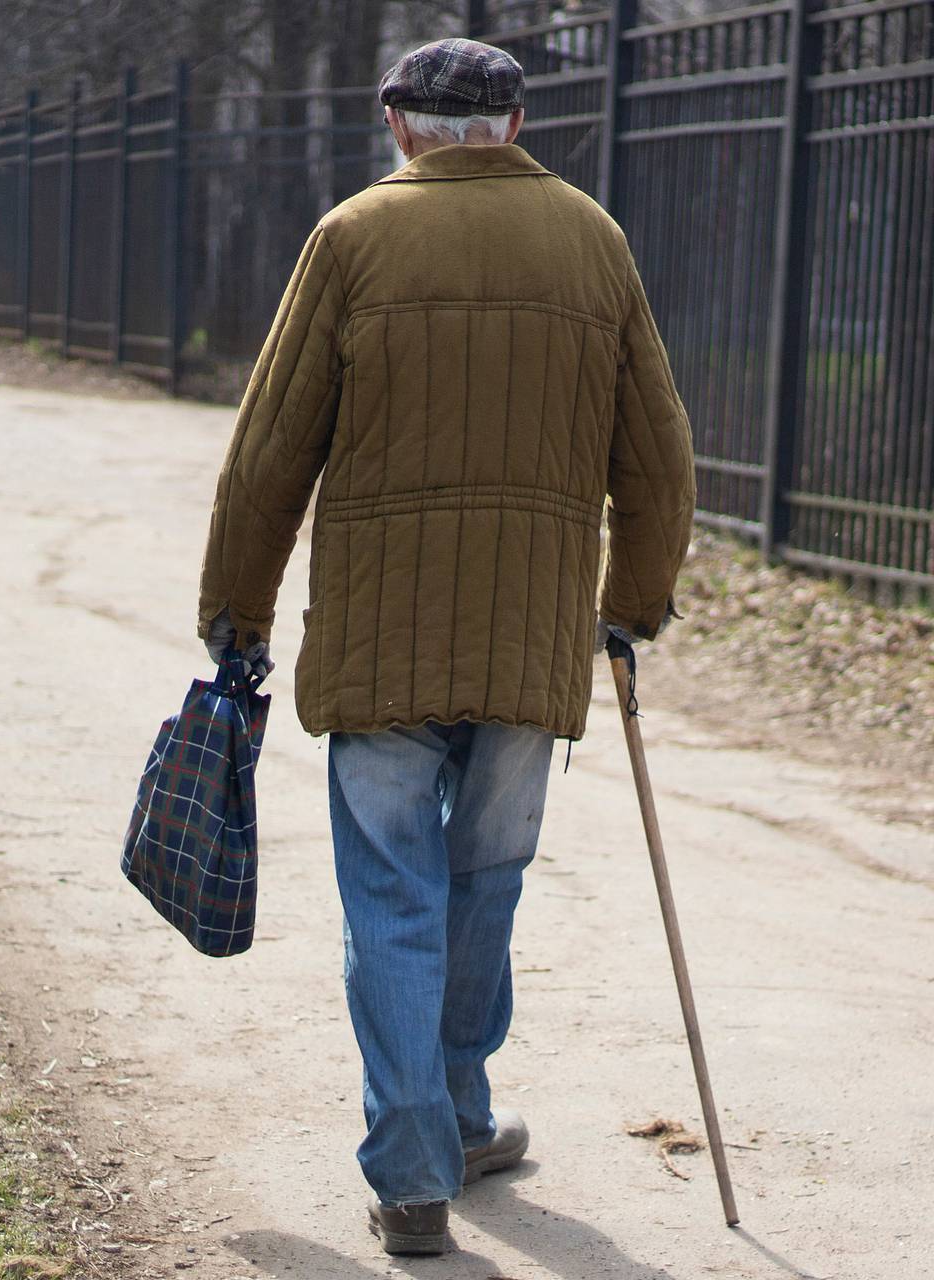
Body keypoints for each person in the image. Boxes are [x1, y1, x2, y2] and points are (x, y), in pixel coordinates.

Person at [198, 37, 695, 1257]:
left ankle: (417, 1162)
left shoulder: (350, 238)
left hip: (380, 638)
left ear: (395, 124)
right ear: (514, 122)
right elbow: (658, 456)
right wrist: (629, 603)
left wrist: (238, 610)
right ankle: (462, 1111)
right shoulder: (594, 241)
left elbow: (269, 454)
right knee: (485, 880)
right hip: (529, 639)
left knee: (390, 895)